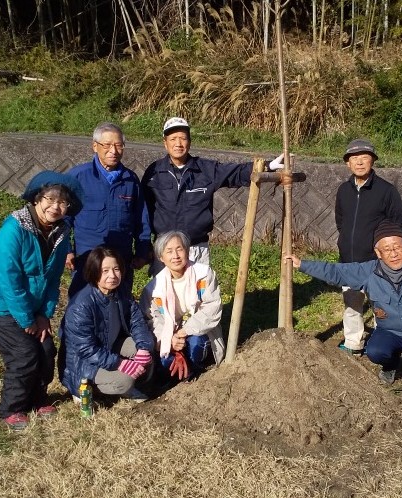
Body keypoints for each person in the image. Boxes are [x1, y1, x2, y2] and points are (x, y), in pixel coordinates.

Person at [287, 220, 402, 403]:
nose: (393, 254)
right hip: (390, 331)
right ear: (378, 253)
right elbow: (337, 272)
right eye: (387, 249)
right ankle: (390, 365)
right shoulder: (369, 271)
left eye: (397, 248)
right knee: (375, 352)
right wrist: (302, 264)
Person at [0, 171, 84, 430]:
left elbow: (53, 277)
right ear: (36, 199)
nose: (55, 207)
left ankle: (38, 398)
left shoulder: (61, 231)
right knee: (24, 353)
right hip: (1, 302)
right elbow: (8, 277)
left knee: (46, 349)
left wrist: (44, 315)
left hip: (33, 303)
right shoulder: (14, 228)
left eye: (63, 203)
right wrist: (26, 318)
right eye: (50, 199)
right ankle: (11, 408)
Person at [142, 117, 284, 274]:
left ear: (189, 141)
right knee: (163, 296)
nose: (178, 144)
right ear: (165, 143)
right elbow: (144, 212)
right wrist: (145, 247)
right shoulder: (154, 172)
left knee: (198, 295)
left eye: (183, 138)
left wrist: (268, 166)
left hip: (196, 248)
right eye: (173, 139)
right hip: (165, 249)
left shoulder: (206, 170)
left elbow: (235, 172)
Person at [335, 138, 402, 356]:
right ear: (348, 163)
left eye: (364, 158)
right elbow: (340, 220)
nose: (359, 162)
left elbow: (398, 223)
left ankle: (381, 342)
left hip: (377, 261)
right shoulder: (344, 190)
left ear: (373, 161)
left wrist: (385, 251)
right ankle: (353, 341)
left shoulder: (386, 191)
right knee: (352, 302)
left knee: (380, 303)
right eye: (354, 158)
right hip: (349, 258)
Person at [65, 122, 152, 296]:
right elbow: (63, 219)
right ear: (95, 146)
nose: (113, 150)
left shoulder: (130, 179)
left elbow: (141, 220)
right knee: (82, 310)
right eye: (107, 145)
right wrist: (66, 250)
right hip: (87, 260)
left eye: (119, 145)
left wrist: (143, 252)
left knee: (120, 310)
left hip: (121, 262)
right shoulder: (78, 177)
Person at [59, 246, 156, 403]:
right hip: (84, 363)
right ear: (94, 272)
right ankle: (86, 389)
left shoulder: (121, 291)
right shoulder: (81, 305)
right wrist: (119, 363)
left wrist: (144, 347)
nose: (112, 275)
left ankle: (134, 384)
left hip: (109, 345)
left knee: (144, 350)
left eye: (116, 269)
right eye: (105, 271)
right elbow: (86, 350)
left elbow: (136, 321)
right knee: (125, 381)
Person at [140, 230, 225, 383]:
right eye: (169, 251)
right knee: (167, 360)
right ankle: (184, 375)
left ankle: (195, 369)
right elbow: (152, 320)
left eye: (179, 249)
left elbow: (212, 307)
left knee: (195, 345)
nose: (176, 256)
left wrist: (185, 331)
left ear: (187, 251)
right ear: (161, 258)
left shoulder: (204, 275)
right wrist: (169, 339)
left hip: (196, 331)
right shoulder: (153, 289)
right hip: (171, 335)